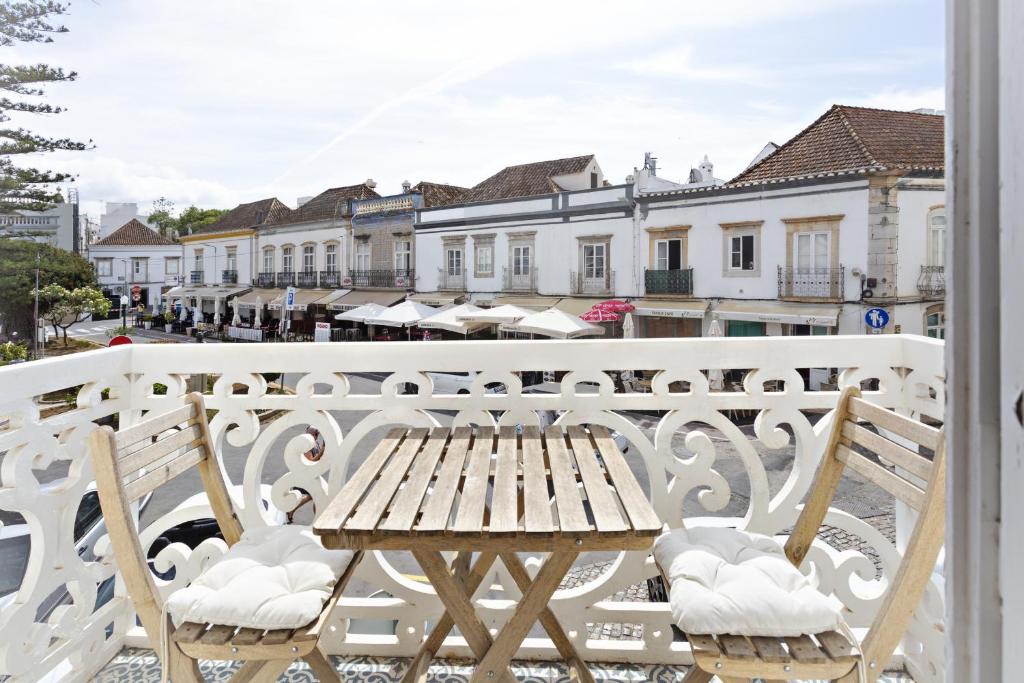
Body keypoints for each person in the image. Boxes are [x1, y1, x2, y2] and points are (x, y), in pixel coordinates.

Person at [286, 426, 325, 523]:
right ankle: (317, 520)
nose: (316, 436)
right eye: (316, 433)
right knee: (316, 496)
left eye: (317, 434)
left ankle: (293, 510)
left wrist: (323, 452)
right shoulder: (306, 446)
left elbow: (319, 457)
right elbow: (310, 461)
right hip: (304, 475)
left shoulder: (315, 443)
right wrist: (322, 452)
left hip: (311, 474)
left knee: (315, 496)